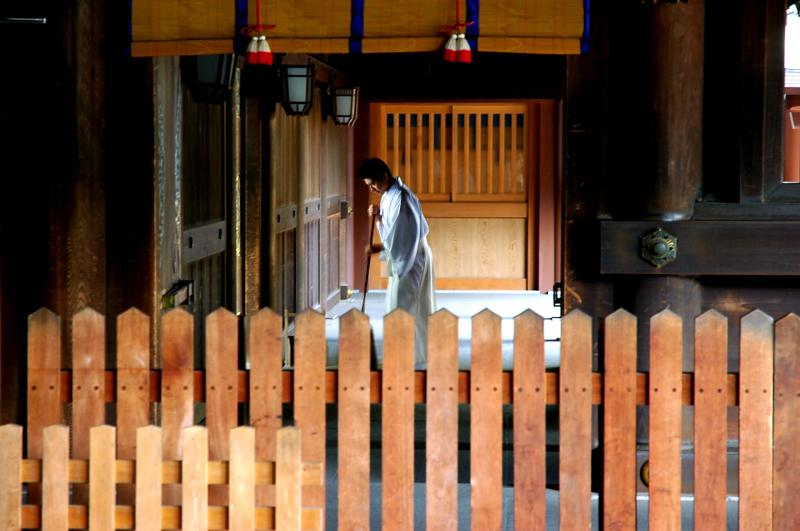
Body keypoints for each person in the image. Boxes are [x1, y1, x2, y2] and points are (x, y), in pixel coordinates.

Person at [359, 158, 436, 367]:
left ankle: (411, 356)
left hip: (412, 256)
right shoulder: (388, 195)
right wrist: (378, 218)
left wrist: (380, 249)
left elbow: (404, 238)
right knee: (399, 305)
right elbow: (393, 232)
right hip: (404, 254)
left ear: (384, 176)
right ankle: (407, 354)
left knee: (406, 305)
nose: (373, 189)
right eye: (369, 186)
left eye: (373, 184)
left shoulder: (400, 197)